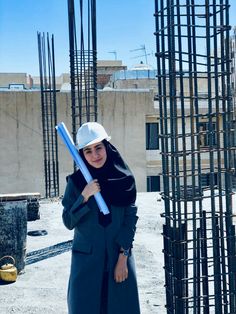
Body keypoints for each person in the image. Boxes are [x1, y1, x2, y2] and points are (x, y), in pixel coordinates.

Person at [62, 122, 140, 314]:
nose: (95, 155)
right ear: (82, 154)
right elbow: (68, 221)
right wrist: (84, 196)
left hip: (118, 258)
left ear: (107, 146)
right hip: (87, 264)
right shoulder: (76, 183)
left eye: (98, 148)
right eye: (88, 151)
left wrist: (123, 258)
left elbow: (129, 221)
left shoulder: (123, 179)